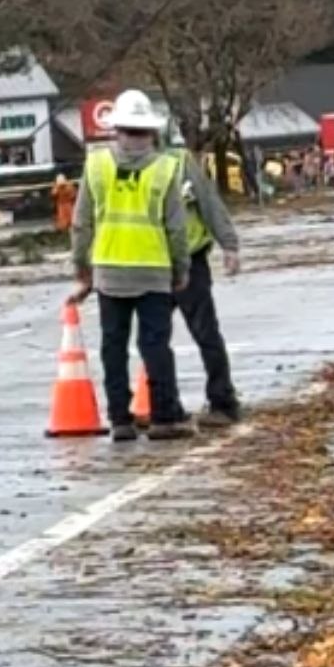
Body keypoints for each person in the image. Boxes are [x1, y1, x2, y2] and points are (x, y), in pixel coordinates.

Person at [68, 89, 193, 443]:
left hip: (109, 270)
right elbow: (176, 227)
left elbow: (81, 223)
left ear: (117, 129)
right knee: (155, 346)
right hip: (153, 269)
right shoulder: (166, 169)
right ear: (151, 131)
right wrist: (181, 269)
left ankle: (120, 420)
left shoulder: (96, 166)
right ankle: (163, 418)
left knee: (113, 346)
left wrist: (82, 269)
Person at [164, 136, 244, 427]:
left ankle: (222, 401)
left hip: (189, 260)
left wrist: (229, 245)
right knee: (154, 341)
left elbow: (209, 204)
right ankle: (165, 407)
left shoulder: (180, 161)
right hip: (150, 264)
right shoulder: (121, 165)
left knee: (204, 332)